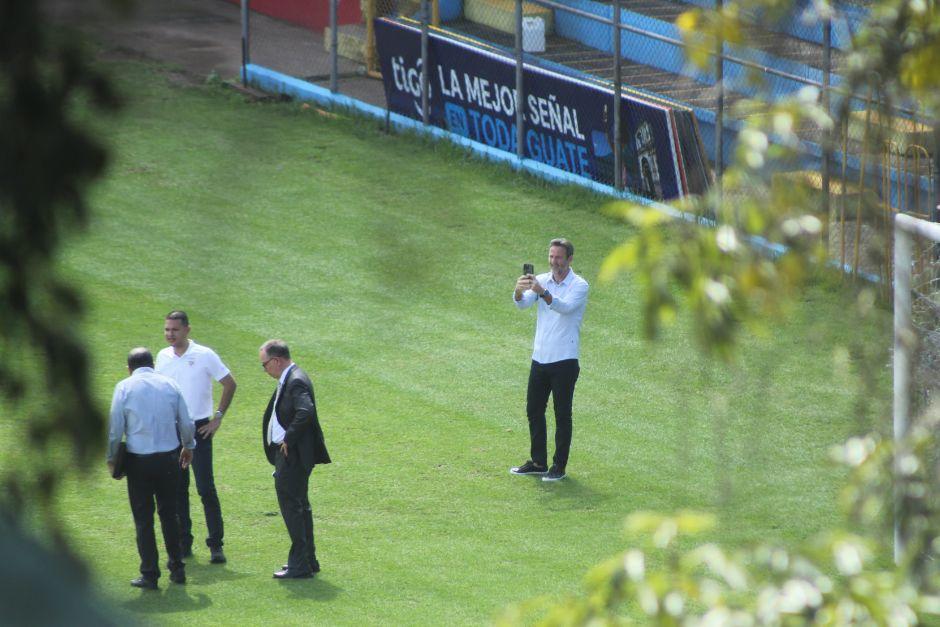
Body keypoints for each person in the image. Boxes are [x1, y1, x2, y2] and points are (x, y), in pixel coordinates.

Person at [107, 347, 196, 589]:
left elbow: (116, 429)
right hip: (169, 459)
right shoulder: (170, 385)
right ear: (153, 364)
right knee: (170, 514)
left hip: (138, 462)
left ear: (129, 367)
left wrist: (111, 458)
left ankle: (150, 573)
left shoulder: (124, 387)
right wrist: (188, 446)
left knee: (143, 519)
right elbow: (186, 422)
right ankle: (177, 569)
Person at [155, 310, 237, 564]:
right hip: (173, 430)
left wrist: (218, 417)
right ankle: (183, 542)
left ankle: (216, 545)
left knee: (205, 488)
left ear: (187, 330)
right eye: (167, 329)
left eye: (174, 330)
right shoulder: (162, 357)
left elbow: (229, 383)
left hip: (200, 428)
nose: (170, 334)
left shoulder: (204, 355)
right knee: (178, 489)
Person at [510, 238, 590, 482]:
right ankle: (538, 462)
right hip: (540, 358)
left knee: (562, 414)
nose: (554, 262)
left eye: (559, 257)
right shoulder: (542, 280)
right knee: (533, 410)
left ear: (569, 259)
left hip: (565, 360)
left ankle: (559, 466)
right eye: (551, 257)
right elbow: (522, 305)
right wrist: (519, 290)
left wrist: (543, 292)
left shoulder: (579, 285)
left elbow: (564, 307)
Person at [259, 339, 331, 579]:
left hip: (293, 455)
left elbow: (305, 411)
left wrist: (288, 439)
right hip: (293, 455)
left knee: (293, 509)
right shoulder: (292, 378)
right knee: (301, 507)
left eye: (265, 364)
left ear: (276, 361)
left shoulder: (296, 380)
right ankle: (308, 560)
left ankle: (300, 564)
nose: (265, 369)